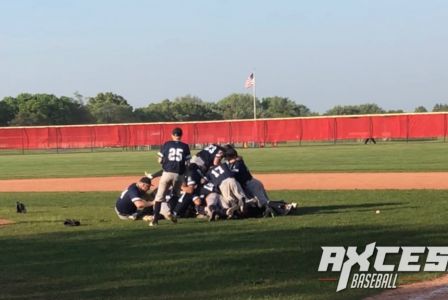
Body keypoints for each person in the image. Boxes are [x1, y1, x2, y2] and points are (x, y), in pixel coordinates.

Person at [151, 127, 191, 226]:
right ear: (181, 135)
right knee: (176, 195)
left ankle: (155, 220)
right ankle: (170, 212)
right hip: (178, 174)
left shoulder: (167, 144)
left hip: (167, 173)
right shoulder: (185, 146)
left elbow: (160, 160)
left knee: (159, 197)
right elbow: (188, 163)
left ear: (172, 135)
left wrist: (165, 162)